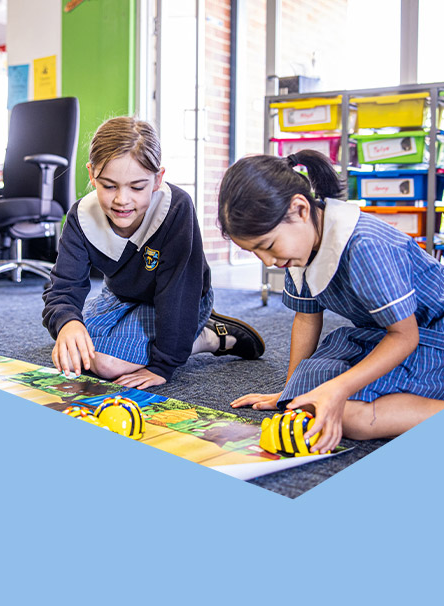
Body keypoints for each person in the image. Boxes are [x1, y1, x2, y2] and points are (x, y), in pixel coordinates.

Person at [218, 149, 444, 453]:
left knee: (349, 417)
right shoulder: (300, 245)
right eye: (255, 253)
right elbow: (307, 317)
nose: (268, 261)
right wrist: (289, 389)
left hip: (430, 337)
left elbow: (405, 336)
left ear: (299, 210)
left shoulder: (365, 246)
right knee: (305, 397)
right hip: (384, 331)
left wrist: (339, 390)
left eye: (268, 246)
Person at [42, 116, 264, 391]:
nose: (122, 200)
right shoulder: (81, 215)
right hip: (122, 297)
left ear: (158, 179)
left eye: (137, 187)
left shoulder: (176, 209)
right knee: (80, 349)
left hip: (180, 302)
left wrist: (164, 364)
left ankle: (208, 336)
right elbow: (64, 286)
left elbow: (178, 294)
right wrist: (67, 323)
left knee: (107, 364)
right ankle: (178, 338)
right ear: (91, 174)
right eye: (109, 185)